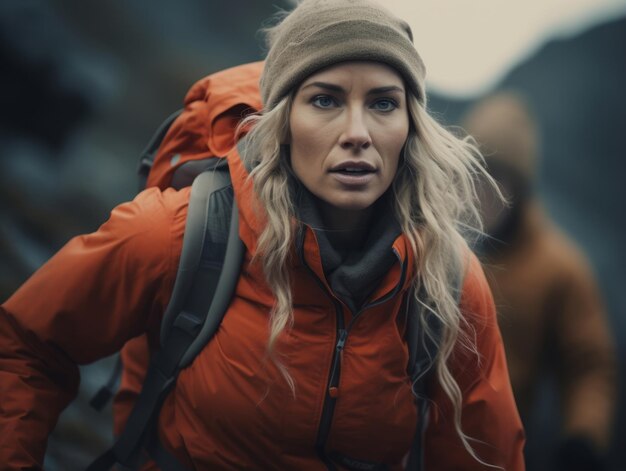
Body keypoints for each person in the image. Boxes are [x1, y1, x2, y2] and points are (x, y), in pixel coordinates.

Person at [0, 1, 525, 469]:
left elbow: (487, 456)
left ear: (410, 125)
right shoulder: (179, 233)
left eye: (384, 103)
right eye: (325, 100)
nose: (358, 133)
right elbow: (24, 345)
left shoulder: (446, 282)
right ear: (282, 118)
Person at [463, 92, 616, 471]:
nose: (483, 193)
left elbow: (589, 366)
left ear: (521, 189)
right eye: (475, 175)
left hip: (498, 453)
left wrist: (583, 437)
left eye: (497, 179)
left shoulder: (560, 268)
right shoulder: (439, 247)